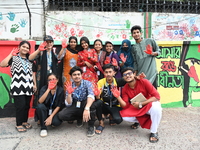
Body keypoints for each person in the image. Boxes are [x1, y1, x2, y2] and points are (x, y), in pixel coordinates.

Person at [111, 67, 162, 143]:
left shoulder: (144, 82)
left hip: (148, 104)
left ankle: (154, 132)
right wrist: (118, 97)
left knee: (156, 107)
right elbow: (125, 105)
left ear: (134, 74)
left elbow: (157, 97)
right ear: (123, 77)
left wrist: (141, 103)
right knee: (124, 116)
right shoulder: (125, 88)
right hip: (137, 107)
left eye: (129, 73)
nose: (127, 76)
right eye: (125, 75)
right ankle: (139, 121)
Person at [0, 41, 35, 132]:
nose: (25, 49)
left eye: (27, 48)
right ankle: (18, 124)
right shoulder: (13, 57)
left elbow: (32, 73)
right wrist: (10, 54)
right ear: (19, 47)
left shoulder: (29, 59)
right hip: (17, 85)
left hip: (28, 85)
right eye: (23, 46)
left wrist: (34, 84)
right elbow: (2, 64)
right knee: (20, 105)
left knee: (27, 105)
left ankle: (24, 121)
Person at [58, 66, 101, 137]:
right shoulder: (70, 85)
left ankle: (91, 126)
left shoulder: (88, 83)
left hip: (85, 103)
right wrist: (69, 94)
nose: (77, 76)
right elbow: (68, 104)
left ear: (81, 75)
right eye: (74, 75)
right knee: (62, 115)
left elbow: (91, 96)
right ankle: (79, 118)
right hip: (75, 104)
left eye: (78, 74)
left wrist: (87, 109)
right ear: (71, 76)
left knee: (92, 105)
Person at [29, 35, 61, 107]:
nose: (49, 44)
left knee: (52, 92)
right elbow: (30, 58)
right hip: (41, 77)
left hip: (51, 77)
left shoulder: (54, 54)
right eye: (47, 42)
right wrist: (39, 50)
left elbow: (59, 58)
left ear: (53, 43)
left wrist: (64, 48)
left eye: (50, 42)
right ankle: (39, 114)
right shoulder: (40, 52)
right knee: (41, 92)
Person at [95, 64, 126, 134]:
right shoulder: (100, 82)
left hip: (115, 105)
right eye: (106, 72)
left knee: (118, 120)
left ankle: (111, 115)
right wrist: (97, 95)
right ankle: (101, 123)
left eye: (110, 72)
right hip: (104, 105)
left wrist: (137, 77)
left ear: (114, 73)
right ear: (104, 73)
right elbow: (98, 97)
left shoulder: (119, 81)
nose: (108, 74)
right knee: (97, 103)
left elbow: (130, 79)